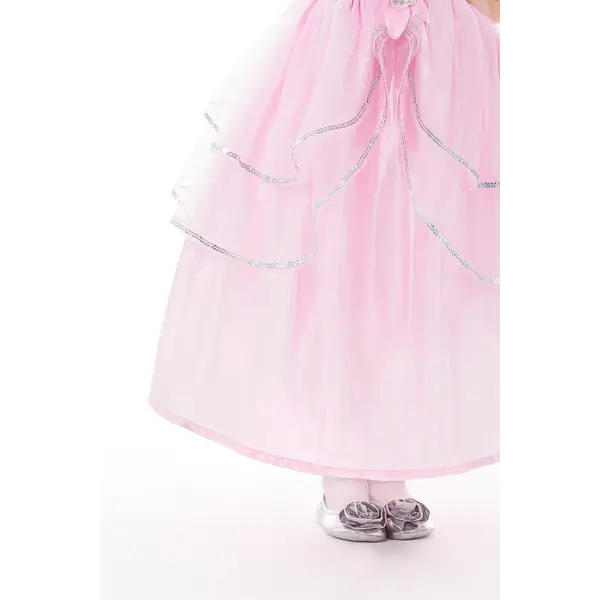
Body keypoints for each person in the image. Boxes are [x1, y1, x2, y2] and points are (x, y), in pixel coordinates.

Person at [150, 0, 502, 543]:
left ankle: (389, 463)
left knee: (417, 260)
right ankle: (343, 463)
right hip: (344, 49)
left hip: (446, 55)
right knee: (340, 248)